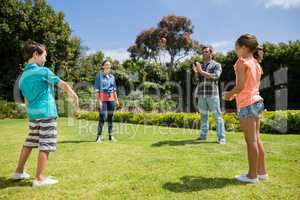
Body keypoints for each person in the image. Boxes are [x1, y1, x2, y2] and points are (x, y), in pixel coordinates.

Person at [11, 39, 79, 186]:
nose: (45, 59)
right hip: (47, 113)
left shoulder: (22, 77)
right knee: (45, 144)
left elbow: (27, 101)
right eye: (44, 56)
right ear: (36, 54)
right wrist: (74, 95)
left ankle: (18, 171)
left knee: (29, 142)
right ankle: (40, 178)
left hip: (33, 115)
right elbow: (62, 84)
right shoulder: (43, 71)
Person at [223, 34, 267, 184]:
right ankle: (262, 173)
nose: (236, 51)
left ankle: (252, 176)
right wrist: (235, 96)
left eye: (236, 48)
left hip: (247, 105)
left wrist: (229, 94)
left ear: (244, 47)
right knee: (257, 138)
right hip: (257, 102)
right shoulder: (256, 63)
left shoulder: (241, 61)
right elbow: (249, 87)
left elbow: (241, 86)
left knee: (251, 141)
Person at [193, 46, 226, 144]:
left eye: (206, 52)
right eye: (203, 52)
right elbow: (196, 81)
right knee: (204, 117)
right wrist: (196, 73)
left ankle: (221, 138)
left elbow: (216, 76)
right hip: (201, 95)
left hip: (212, 95)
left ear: (211, 53)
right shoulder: (201, 66)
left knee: (217, 116)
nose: (204, 53)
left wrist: (201, 72)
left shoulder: (216, 65)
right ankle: (203, 136)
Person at [94, 60, 120, 143]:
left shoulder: (112, 77)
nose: (108, 66)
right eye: (106, 64)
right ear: (103, 66)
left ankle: (111, 136)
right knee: (102, 117)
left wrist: (116, 100)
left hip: (111, 99)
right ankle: (98, 137)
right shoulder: (99, 76)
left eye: (109, 65)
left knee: (110, 118)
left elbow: (114, 90)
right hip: (103, 98)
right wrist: (99, 101)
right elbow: (97, 89)